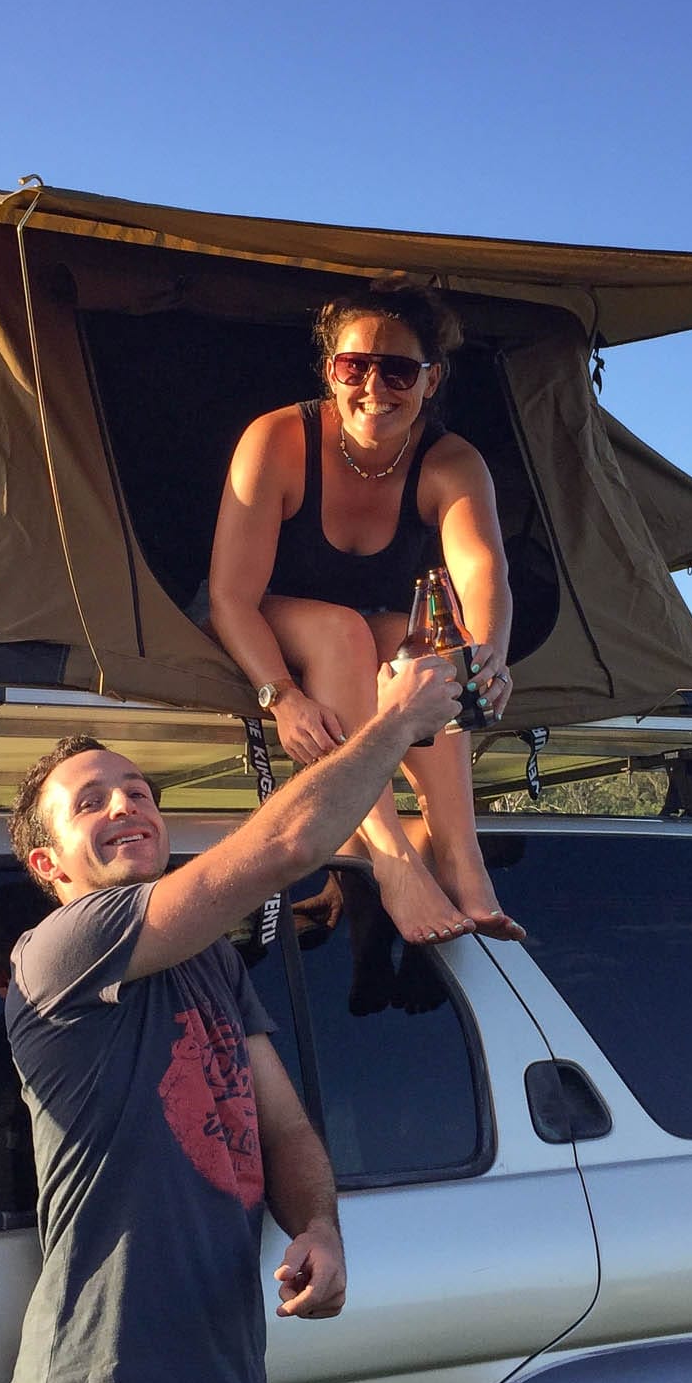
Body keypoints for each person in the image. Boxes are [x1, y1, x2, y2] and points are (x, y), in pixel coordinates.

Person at [2, 654, 462, 1383]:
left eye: (138, 792)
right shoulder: (61, 948)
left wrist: (318, 1227)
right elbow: (287, 846)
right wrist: (396, 722)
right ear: (49, 864)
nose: (126, 804)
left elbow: (282, 1127)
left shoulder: (210, 959)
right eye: (90, 802)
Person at [207, 281, 524, 946]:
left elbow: (482, 572)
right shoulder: (279, 440)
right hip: (262, 619)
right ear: (331, 372)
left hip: (371, 625)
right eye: (354, 366)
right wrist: (282, 698)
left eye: (398, 370)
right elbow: (229, 598)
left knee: (433, 653)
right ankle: (389, 856)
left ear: (431, 380)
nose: (374, 387)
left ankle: (462, 857)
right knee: (342, 630)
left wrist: (488, 655)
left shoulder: (449, 461)